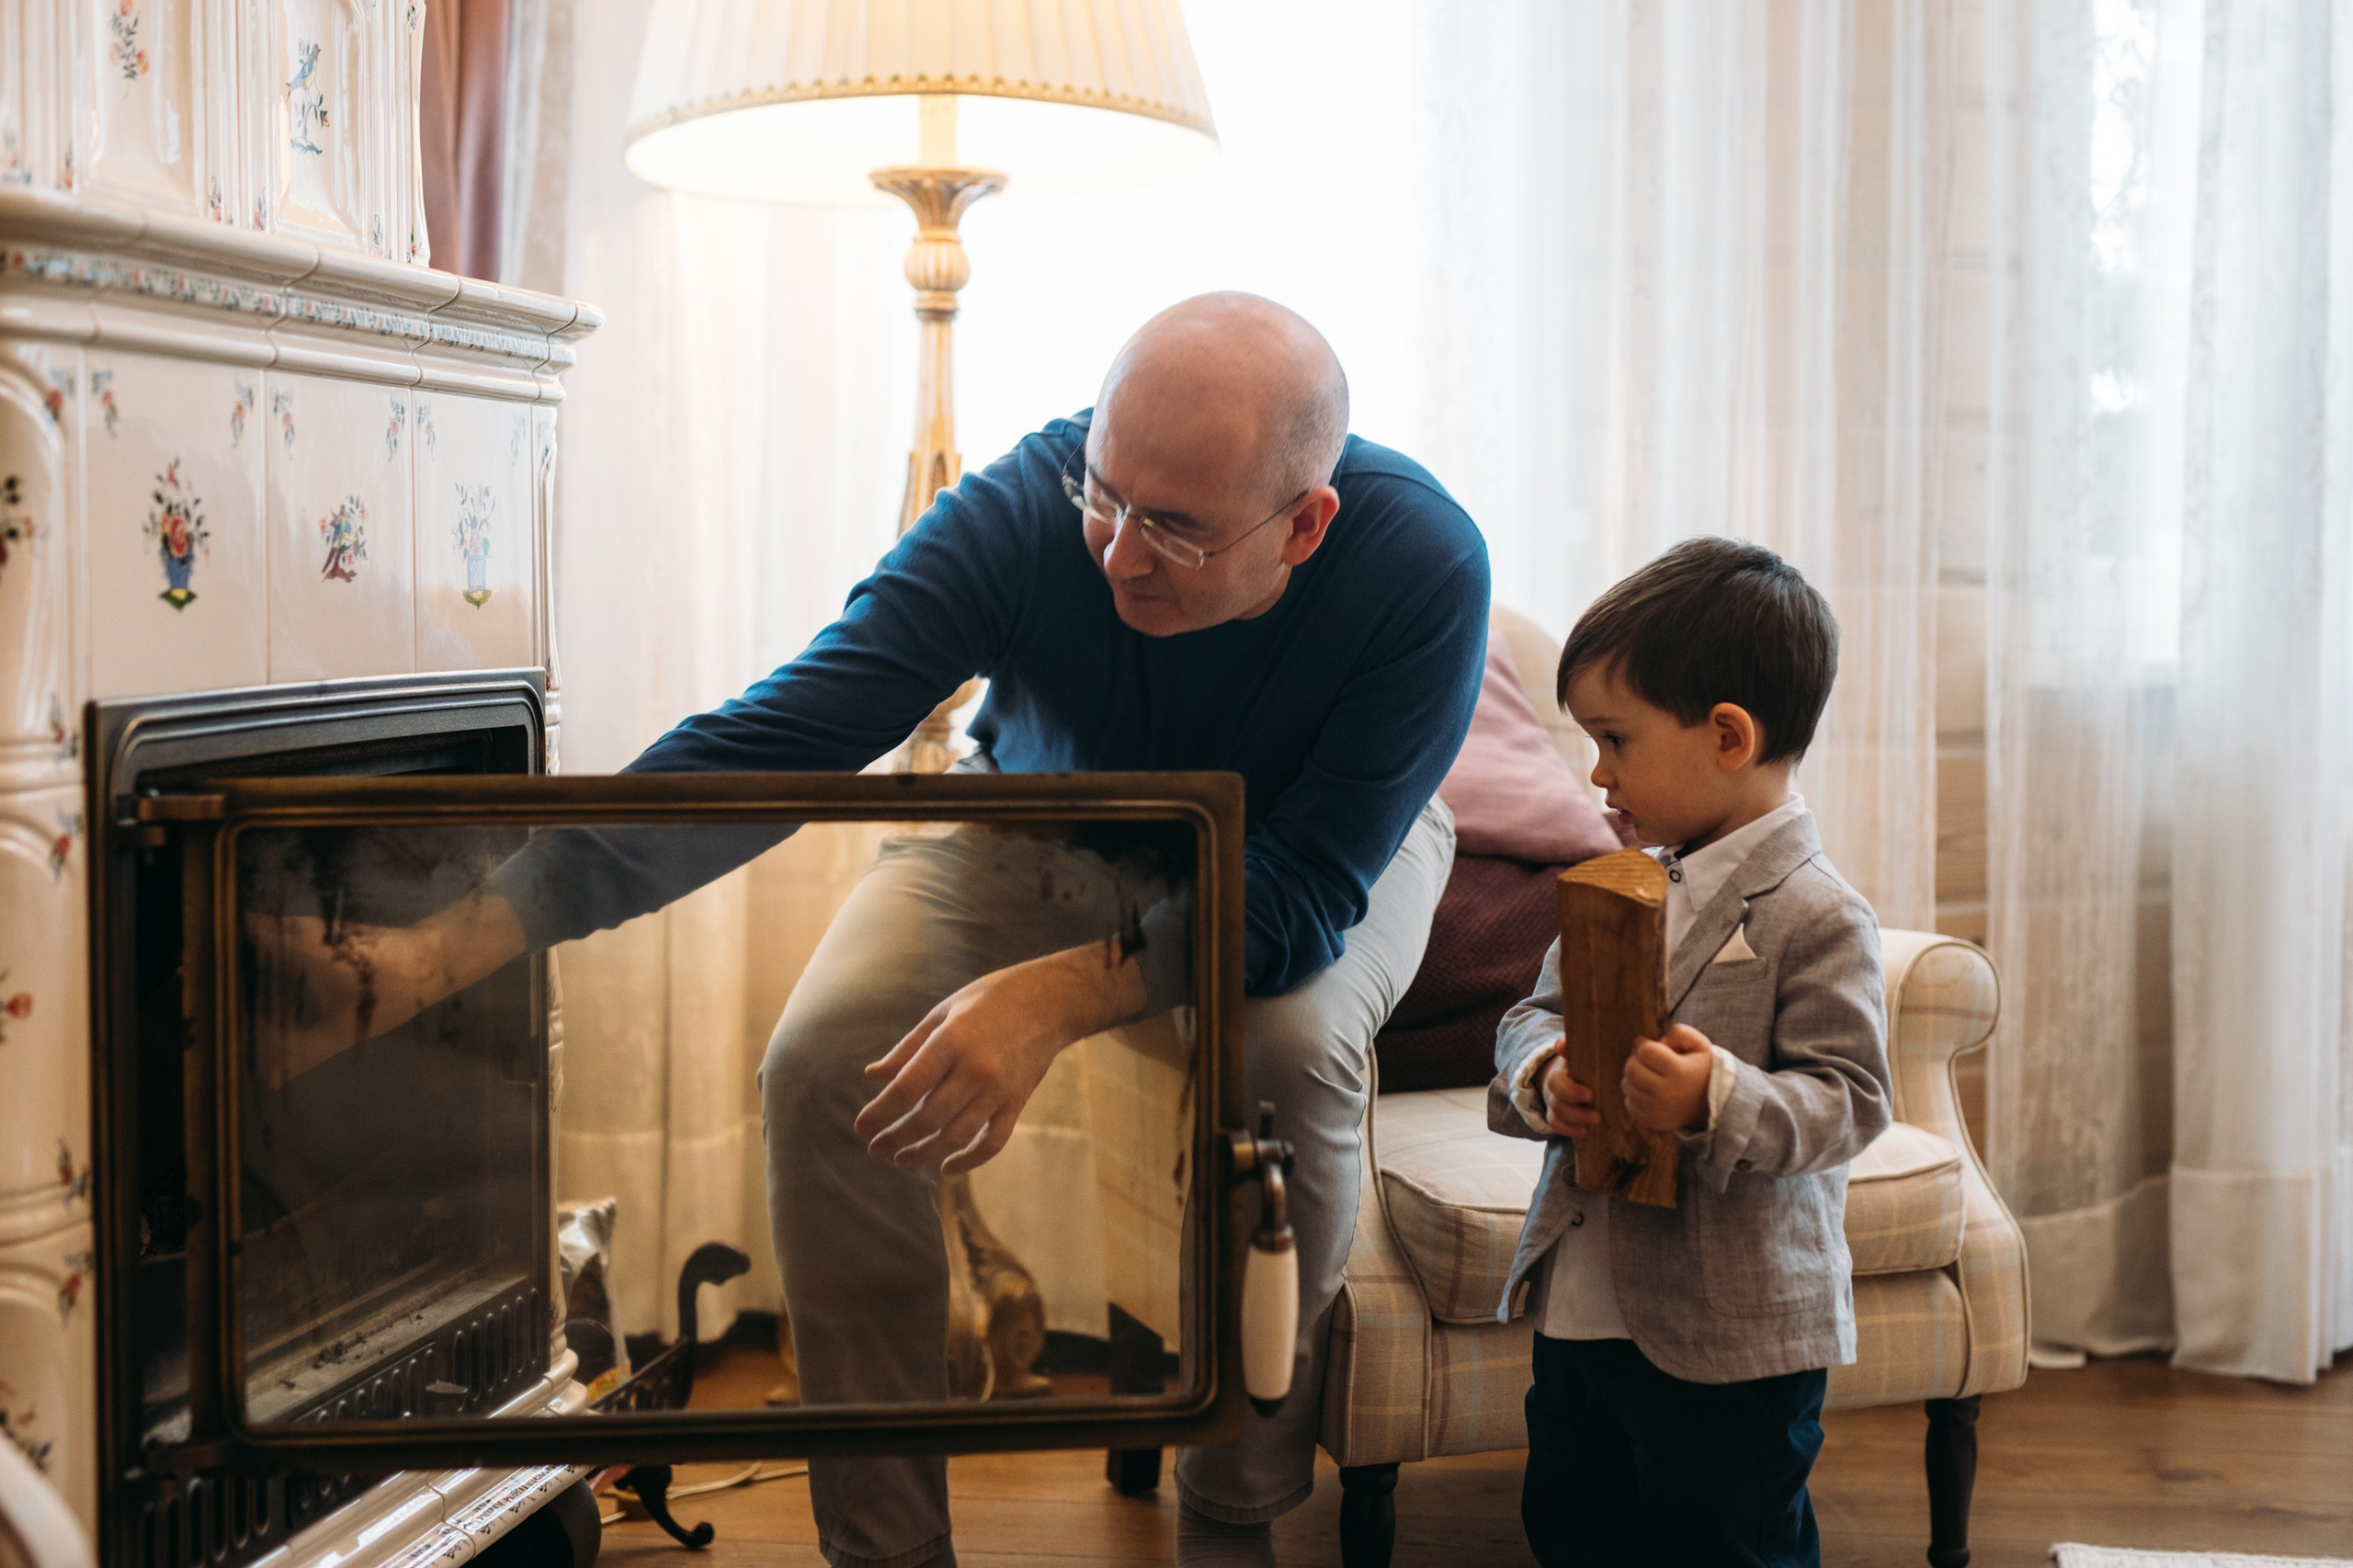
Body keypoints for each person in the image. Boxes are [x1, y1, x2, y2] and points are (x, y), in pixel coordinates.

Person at [265, 293, 1490, 1568]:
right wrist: (449, 943)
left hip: (1300, 853)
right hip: (1045, 825)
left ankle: (1236, 1506)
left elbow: (1295, 899)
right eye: (1105, 494)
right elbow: (779, 740)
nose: (1118, 554)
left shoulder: (1426, 566)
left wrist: (1055, 997)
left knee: (1286, 1058)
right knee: (820, 1062)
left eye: (1175, 530)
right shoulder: (1024, 514)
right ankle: (889, 1552)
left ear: (1305, 522)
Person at [1489, 537, 1890, 1568]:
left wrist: (1715, 1091)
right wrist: (1545, 1074)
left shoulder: (1818, 912)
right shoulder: (1620, 883)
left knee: (1726, 1544)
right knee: (1575, 1528)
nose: (1596, 769)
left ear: (1725, 735)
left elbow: (1849, 1099)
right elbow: (1529, 1015)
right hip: (1581, 1309)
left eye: (1615, 738)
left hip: (1732, 1339)